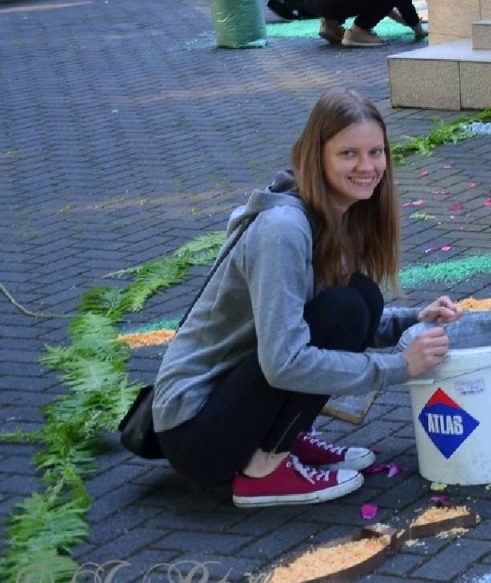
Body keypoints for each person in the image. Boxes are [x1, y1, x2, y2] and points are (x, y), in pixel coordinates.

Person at [152, 89, 461, 507]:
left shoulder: (331, 212)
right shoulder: (284, 228)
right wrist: (398, 367)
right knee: (347, 308)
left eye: (376, 152)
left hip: (229, 407)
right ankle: (264, 469)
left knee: (361, 299)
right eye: (348, 154)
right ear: (317, 155)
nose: (367, 167)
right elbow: (284, 363)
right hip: (197, 434)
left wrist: (411, 320)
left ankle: (286, 439)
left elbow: (316, 321)